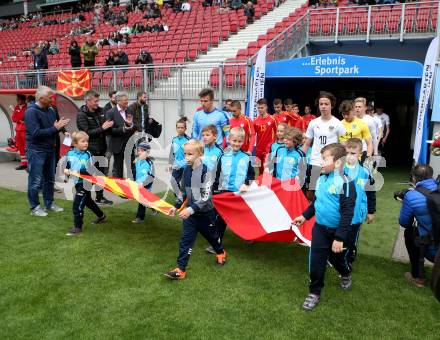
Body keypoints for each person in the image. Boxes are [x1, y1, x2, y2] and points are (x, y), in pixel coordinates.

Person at [293, 143, 356, 311]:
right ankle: (314, 292)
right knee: (316, 262)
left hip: (338, 232)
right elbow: (316, 203)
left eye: (324, 159)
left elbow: (348, 213)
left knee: (336, 260)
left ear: (337, 162)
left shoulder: (346, 183)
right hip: (320, 229)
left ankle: (345, 273)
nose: (321, 162)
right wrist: (304, 216)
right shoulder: (320, 179)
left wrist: (339, 238)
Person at [165, 139, 227, 280]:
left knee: (213, 237)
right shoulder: (186, 170)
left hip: (205, 214)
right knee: (186, 241)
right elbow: (183, 191)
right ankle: (180, 270)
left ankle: (221, 252)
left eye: (190, 154)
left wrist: (190, 209)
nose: (187, 157)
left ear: (200, 154)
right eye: (185, 154)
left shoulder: (207, 172)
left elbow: (205, 198)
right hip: (191, 216)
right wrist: (175, 206)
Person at [25, 86, 69, 217]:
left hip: (50, 149)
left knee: (49, 179)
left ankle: (49, 203)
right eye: (50, 97)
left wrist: (64, 131)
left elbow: (56, 126)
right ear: (41, 98)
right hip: (36, 150)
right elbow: (36, 133)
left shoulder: (50, 110)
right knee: (35, 181)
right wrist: (55, 128)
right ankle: (35, 207)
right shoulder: (31, 112)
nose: (52, 99)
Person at [211, 127, 254, 248]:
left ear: (243, 141)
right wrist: (214, 192)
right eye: (234, 140)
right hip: (224, 192)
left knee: (243, 216)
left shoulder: (246, 157)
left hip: (240, 193)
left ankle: (248, 236)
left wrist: (246, 184)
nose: (236, 143)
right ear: (229, 139)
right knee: (221, 218)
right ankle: (217, 243)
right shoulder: (223, 156)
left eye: (239, 141)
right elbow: (216, 175)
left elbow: (251, 174)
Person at [399, 164, 439, 287]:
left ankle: (417, 276)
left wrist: (406, 201)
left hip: (434, 252)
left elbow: (404, 222)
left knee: (410, 233)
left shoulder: (411, 196)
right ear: (431, 176)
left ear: (414, 178)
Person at [302, 91, 345, 197]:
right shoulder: (313, 123)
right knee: (311, 193)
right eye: (321, 104)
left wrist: (344, 162)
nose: (323, 106)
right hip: (315, 161)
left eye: (326, 104)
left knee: (329, 192)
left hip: (331, 163)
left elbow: (343, 146)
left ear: (332, 105)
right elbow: (307, 144)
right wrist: (300, 158)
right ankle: (313, 213)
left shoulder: (338, 123)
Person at [64, 132, 107, 236]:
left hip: (86, 182)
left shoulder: (88, 155)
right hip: (77, 182)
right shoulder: (69, 153)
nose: (86, 143)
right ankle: (102, 216)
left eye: (87, 141)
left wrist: (78, 171)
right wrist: (67, 173)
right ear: (74, 143)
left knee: (77, 204)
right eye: (83, 141)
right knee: (88, 201)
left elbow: (91, 169)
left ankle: (78, 227)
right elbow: (68, 165)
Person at [76, 90, 114, 205]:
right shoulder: (81, 115)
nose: (98, 103)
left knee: (100, 175)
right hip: (89, 150)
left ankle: (99, 197)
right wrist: (102, 128)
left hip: (102, 148)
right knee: (88, 176)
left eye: (98, 101)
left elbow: (108, 125)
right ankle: (83, 196)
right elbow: (86, 133)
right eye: (95, 101)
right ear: (88, 101)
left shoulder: (101, 111)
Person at [344, 138, 376, 266]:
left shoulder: (365, 172)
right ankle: (334, 258)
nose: (349, 156)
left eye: (353, 153)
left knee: (351, 240)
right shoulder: (337, 169)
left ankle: (348, 260)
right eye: (347, 153)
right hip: (338, 213)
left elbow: (371, 193)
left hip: (356, 214)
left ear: (360, 154)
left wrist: (371, 211)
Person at [106, 91, 135, 178]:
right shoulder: (110, 113)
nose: (127, 102)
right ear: (118, 101)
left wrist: (131, 126)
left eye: (127, 100)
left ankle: (133, 186)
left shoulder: (129, 110)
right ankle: (119, 188)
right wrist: (123, 129)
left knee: (132, 166)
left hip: (129, 144)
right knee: (118, 169)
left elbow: (133, 125)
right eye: (124, 100)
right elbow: (109, 131)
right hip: (117, 145)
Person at [132, 142, 155, 224]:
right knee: (145, 200)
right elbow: (136, 172)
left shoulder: (150, 164)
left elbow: (151, 176)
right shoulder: (137, 161)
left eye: (142, 150)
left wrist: (144, 183)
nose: (139, 152)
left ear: (147, 152)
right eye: (138, 150)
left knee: (142, 201)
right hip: (138, 184)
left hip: (146, 185)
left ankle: (139, 217)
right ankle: (153, 208)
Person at [253, 98, 277, 175]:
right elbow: (253, 135)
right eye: (258, 108)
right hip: (259, 148)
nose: (260, 110)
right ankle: (260, 185)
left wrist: (274, 145)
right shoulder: (255, 121)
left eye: (262, 108)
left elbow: (278, 133)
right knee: (259, 170)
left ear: (266, 107)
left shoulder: (272, 119)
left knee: (267, 168)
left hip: (268, 148)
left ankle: (267, 184)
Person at [168, 117, 190, 190]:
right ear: (176, 128)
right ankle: (179, 197)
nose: (180, 129)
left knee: (185, 185)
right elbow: (172, 153)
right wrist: (170, 163)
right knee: (173, 182)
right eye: (178, 127)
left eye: (182, 127)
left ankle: (184, 199)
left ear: (185, 129)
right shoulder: (174, 140)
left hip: (186, 167)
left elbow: (191, 154)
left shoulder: (189, 140)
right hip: (176, 166)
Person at [11, 94, 28, 170]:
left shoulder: (27, 107)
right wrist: (20, 120)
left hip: (25, 130)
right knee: (20, 146)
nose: (17, 101)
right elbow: (13, 118)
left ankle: (29, 163)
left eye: (18, 100)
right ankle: (23, 163)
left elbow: (25, 117)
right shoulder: (17, 107)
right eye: (17, 100)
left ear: (23, 100)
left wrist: (20, 119)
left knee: (26, 147)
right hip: (18, 130)